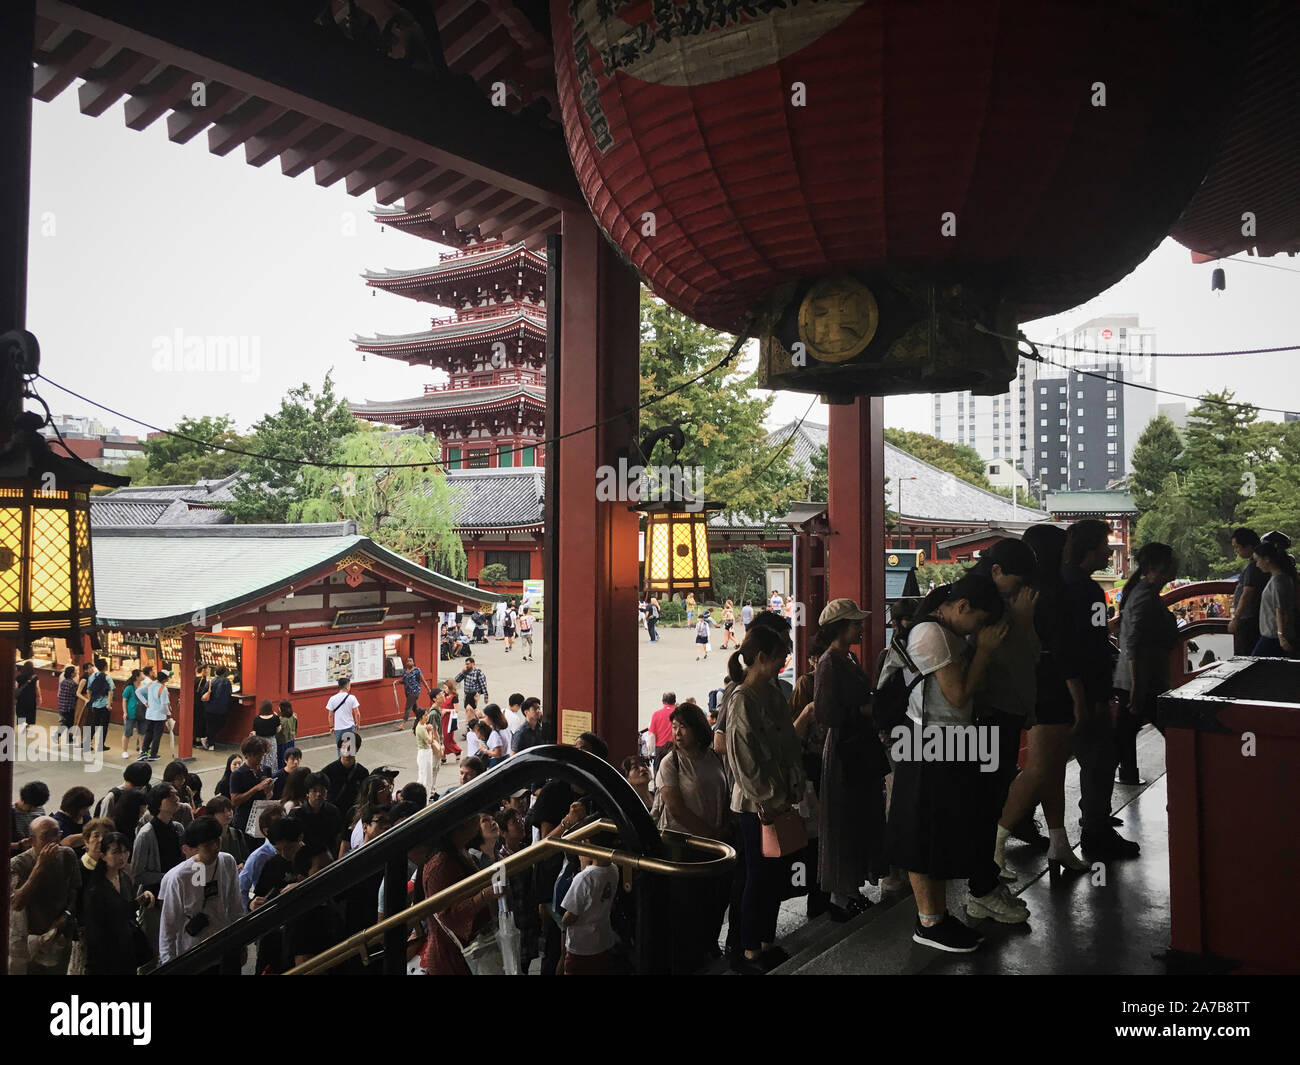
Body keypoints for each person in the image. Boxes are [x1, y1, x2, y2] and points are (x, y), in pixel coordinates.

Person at [884, 574, 1008, 952]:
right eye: (980, 621)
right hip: (927, 743)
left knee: (936, 831)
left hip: (945, 742)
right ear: (963, 607)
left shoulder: (947, 631)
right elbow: (956, 695)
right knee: (923, 832)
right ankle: (928, 922)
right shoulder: (931, 634)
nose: (981, 629)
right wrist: (984, 652)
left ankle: (936, 916)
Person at [962, 539, 1040, 920]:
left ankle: (985, 883)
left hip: (1002, 715)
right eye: (1016, 579)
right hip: (988, 716)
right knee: (983, 804)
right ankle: (980, 890)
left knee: (989, 800)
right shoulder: (985, 607)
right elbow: (1016, 659)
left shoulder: (1003, 603)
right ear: (995, 571)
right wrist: (1023, 622)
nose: (1022, 588)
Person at [725, 621, 805, 973]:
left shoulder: (772, 693)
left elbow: (788, 742)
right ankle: (749, 948)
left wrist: (795, 783)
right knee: (758, 876)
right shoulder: (741, 699)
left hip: (779, 800)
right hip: (754, 807)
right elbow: (744, 761)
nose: (783, 663)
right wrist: (770, 799)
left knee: (774, 874)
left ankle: (767, 940)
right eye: (778, 658)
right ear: (759, 658)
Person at [1058, 519, 1140, 861]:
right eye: (1106, 546)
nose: (1110, 552)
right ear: (1090, 549)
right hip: (1088, 690)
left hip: (1060, 686)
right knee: (1100, 760)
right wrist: (1097, 696)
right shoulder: (1090, 591)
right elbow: (1091, 645)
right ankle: (1096, 830)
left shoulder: (1058, 583)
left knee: (1051, 761)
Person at [813, 598, 888, 923]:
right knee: (844, 820)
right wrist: (862, 710)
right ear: (841, 626)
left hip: (856, 748)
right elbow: (825, 713)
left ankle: (850, 891)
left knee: (858, 818)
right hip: (845, 750)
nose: (860, 628)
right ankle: (841, 895)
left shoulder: (847, 658)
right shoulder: (830, 663)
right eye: (855, 623)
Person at [654, 700, 731, 971]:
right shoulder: (670, 762)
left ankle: (708, 945)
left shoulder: (714, 757)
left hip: (715, 842)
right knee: (687, 904)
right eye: (674, 727)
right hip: (684, 845)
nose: (676, 733)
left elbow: (725, 792)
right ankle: (687, 958)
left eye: (683, 727)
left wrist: (721, 830)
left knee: (714, 899)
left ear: (697, 728)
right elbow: (675, 808)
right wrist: (711, 835)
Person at [1113, 543, 1180, 783]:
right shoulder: (1145, 596)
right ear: (1155, 567)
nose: (1175, 565)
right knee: (1172, 730)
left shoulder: (1144, 592)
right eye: (1170, 561)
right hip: (1142, 678)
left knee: (1125, 732)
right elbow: (1134, 642)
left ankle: (1124, 776)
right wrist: (1137, 686)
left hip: (1139, 677)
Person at [420, 814, 506, 975]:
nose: (478, 818)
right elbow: (448, 915)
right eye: (472, 814)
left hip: (467, 951)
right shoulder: (440, 865)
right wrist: (484, 895)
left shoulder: (459, 851)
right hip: (452, 958)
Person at [158, 817, 243, 966]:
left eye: (217, 841)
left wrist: (241, 943)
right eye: (207, 845)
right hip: (192, 950)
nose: (215, 847)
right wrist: (168, 963)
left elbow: (235, 905)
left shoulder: (227, 861)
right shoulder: (179, 876)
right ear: (195, 847)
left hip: (224, 945)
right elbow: (169, 925)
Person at [9, 815, 81, 974]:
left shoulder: (68, 855)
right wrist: (40, 867)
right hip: (27, 943)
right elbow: (16, 903)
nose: (52, 840)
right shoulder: (18, 864)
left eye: (56, 834)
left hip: (58, 936)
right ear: (32, 841)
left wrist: (67, 914)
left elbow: (74, 890)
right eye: (45, 836)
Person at [82, 832, 155, 975]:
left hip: (126, 946)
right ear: (103, 855)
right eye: (115, 852)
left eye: (125, 851)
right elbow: (94, 930)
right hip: (106, 952)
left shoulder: (124, 878)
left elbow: (126, 909)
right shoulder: (95, 889)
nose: (122, 857)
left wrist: (142, 899)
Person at [130, 784, 186, 955]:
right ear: (159, 803)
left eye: (177, 795)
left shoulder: (178, 828)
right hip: (154, 900)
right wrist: (168, 877)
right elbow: (138, 874)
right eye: (171, 796)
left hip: (176, 896)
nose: (177, 799)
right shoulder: (146, 834)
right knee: (154, 951)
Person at [559, 853, 621, 975]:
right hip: (603, 940)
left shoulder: (584, 877)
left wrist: (584, 870)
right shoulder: (614, 869)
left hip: (582, 946)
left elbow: (570, 916)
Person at [238, 802, 288, 909]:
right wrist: (249, 907)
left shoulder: (294, 846)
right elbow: (241, 887)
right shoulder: (258, 857)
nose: (284, 826)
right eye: (278, 823)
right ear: (266, 830)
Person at [1253, 540, 1297, 657]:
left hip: (1273, 636)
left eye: (1257, 560)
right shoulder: (1281, 578)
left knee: (1255, 665)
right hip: (1274, 635)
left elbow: (1280, 609)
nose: (1257, 564)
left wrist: (1281, 635)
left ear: (1267, 559)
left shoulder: (1278, 580)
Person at [1227, 528, 1266, 656]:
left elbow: (1247, 594)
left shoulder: (1254, 566)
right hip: (1255, 618)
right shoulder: (1256, 565)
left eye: (1237, 547)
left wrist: (1236, 618)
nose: (1236, 551)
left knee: (1247, 655)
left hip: (1249, 619)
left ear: (1248, 546)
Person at [229, 736, 275, 843]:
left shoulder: (266, 770)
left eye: (262, 756)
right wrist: (256, 788)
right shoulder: (238, 774)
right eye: (258, 756)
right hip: (244, 820)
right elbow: (235, 801)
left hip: (261, 818)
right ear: (248, 755)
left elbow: (268, 796)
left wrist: (269, 792)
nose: (260, 759)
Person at [321, 746, 370, 814]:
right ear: (340, 749)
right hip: (333, 814)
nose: (347, 752)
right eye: (344, 748)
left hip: (354, 814)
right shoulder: (327, 771)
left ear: (357, 749)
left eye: (350, 748)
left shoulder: (363, 772)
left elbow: (365, 796)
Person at [138, 669, 173, 762]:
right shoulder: (163, 688)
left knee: (148, 734)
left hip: (149, 714)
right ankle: (153, 754)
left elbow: (138, 692)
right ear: (165, 679)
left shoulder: (150, 684)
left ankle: (144, 752)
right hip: (159, 716)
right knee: (157, 736)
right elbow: (164, 704)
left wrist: (145, 702)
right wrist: (168, 714)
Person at [196, 664, 232, 751]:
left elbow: (203, 693)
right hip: (222, 708)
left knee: (210, 726)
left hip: (209, 707)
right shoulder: (227, 682)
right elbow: (229, 694)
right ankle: (209, 741)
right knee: (220, 724)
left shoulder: (210, 682)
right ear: (224, 673)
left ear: (215, 672)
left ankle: (210, 743)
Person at [12, 781, 50, 856]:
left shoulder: (39, 809)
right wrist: (19, 845)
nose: (34, 809)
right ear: (22, 799)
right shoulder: (9, 814)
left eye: (37, 806)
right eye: (31, 806)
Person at [52, 786, 94, 852]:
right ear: (74, 808)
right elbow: (68, 842)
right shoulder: (57, 822)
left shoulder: (86, 816)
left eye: (88, 807)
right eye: (84, 808)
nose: (87, 810)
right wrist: (93, 835)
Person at [326, 676, 361, 755]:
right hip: (349, 727)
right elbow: (357, 713)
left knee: (340, 749)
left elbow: (330, 715)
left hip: (338, 728)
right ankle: (351, 764)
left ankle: (340, 764)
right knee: (350, 749)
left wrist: (331, 727)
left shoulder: (332, 699)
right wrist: (358, 724)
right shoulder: (352, 698)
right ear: (347, 686)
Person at [85, 657, 114, 752]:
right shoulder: (107, 677)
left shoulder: (92, 677)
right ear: (106, 666)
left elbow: (88, 690)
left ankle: (87, 742)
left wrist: (91, 700)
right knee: (104, 725)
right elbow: (110, 692)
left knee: (94, 723)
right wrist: (109, 704)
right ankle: (101, 745)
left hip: (95, 704)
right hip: (105, 704)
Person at [396, 657, 426, 730]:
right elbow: (404, 681)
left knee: (408, 707)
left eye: (410, 661)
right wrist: (399, 682)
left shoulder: (417, 670)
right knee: (414, 708)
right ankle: (422, 719)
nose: (409, 662)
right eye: (408, 661)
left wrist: (428, 689)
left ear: (413, 662)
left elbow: (423, 680)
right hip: (408, 692)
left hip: (415, 691)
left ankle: (403, 724)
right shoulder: (405, 671)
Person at [649, 692, 676, 772]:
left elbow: (652, 736)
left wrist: (651, 752)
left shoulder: (656, 714)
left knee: (658, 774)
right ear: (674, 701)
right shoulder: (678, 713)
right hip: (675, 748)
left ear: (663, 701)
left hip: (660, 749)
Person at [120, 668, 144, 758]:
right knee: (127, 732)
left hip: (142, 712)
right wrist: (125, 712)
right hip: (131, 713)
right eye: (141, 675)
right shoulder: (129, 688)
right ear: (137, 677)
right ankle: (124, 751)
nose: (143, 676)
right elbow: (124, 700)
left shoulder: (143, 686)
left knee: (142, 732)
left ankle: (142, 749)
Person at [252, 700, 281, 773]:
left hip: (260, 741)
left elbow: (255, 732)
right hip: (271, 740)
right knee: (272, 758)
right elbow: (278, 729)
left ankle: (261, 772)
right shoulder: (275, 718)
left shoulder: (257, 719)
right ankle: (272, 772)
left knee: (261, 757)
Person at [437, 678, 462, 760]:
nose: (444, 690)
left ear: (450, 688)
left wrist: (446, 710)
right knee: (442, 737)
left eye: (446, 688)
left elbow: (457, 710)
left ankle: (456, 750)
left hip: (449, 720)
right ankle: (443, 756)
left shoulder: (454, 697)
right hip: (442, 719)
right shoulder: (444, 695)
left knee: (447, 738)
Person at [54, 665, 79, 745]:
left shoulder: (63, 682)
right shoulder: (73, 684)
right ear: (72, 674)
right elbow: (75, 694)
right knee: (68, 723)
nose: (76, 673)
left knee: (67, 722)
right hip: (69, 706)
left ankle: (69, 739)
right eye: (75, 672)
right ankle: (58, 735)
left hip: (62, 705)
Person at [274, 700, 298, 769]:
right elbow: (296, 727)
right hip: (291, 740)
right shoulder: (294, 715)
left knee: (282, 760)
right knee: (290, 758)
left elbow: (277, 732)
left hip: (282, 743)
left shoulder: (281, 720)